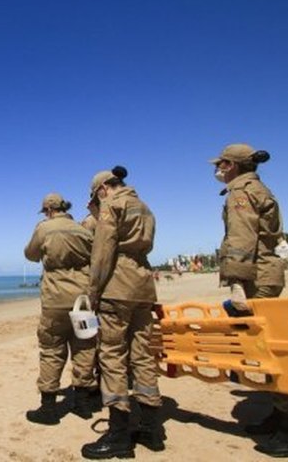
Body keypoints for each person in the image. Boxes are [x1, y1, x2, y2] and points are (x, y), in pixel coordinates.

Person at [211, 143, 288, 458]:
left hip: (256, 277)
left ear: (230, 165)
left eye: (219, 163)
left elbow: (242, 238)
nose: (216, 169)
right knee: (271, 348)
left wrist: (236, 283)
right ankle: (280, 416)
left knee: (274, 351)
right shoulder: (259, 188)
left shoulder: (240, 192)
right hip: (266, 273)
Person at [81, 166, 164, 459]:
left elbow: (103, 253)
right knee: (142, 355)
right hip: (144, 285)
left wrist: (92, 293)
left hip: (117, 286)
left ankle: (118, 433)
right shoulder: (144, 207)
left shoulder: (111, 206)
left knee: (112, 356)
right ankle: (151, 428)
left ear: (103, 189)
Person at [24, 193, 99, 425]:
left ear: (47, 210)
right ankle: (83, 403)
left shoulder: (44, 228)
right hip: (84, 298)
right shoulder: (82, 229)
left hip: (54, 298)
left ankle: (48, 408)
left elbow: (30, 254)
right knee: (85, 346)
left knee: (51, 349)